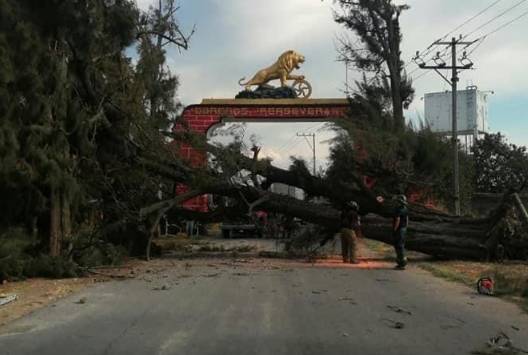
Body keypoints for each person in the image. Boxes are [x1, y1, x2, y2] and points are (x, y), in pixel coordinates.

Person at [392, 194, 409, 269]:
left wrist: (395, 229)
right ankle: (401, 262)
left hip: (399, 229)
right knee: (401, 245)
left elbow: (397, 220)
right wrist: (405, 227)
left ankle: (401, 263)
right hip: (404, 229)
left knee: (398, 245)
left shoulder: (398, 209)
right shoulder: (405, 208)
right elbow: (407, 219)